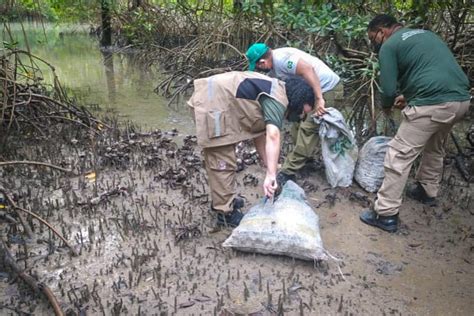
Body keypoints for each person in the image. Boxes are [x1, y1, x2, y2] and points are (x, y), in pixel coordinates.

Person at [359, 14, 471, 233]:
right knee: (435, 146)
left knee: (398, 155)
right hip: (461, 101)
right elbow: (431, 73)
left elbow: (389, 90)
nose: (375, 43)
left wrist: (387, 105)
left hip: (433, 104)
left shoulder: (389, 46)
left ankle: (386, 214)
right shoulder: (426, 34)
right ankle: (427, 191)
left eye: (374, 38)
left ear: (382, 31)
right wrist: (409, 97)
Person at [188, 71, 315, 227]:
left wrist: (270, 166)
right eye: (303, 112)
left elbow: (259, 132)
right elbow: (273, 135)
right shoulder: (278, 101)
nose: (302, 117)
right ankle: (224, 213)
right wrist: (270, 175)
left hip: (216, 99)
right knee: (222, 162)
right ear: (297, 101)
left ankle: (225, 200)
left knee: (224, 159)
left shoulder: (276, 90)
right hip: (211, 103)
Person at [245, 43, 343, 185]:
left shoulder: (283, 60)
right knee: (296, 125)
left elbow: (307, 69)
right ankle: (304, 159)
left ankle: (288, 171)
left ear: (262, 62)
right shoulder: (273, 69)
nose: (259, 70)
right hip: (308, 92)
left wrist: (319, 98)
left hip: (327, 89)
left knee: (308, 129)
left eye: (258, 67)